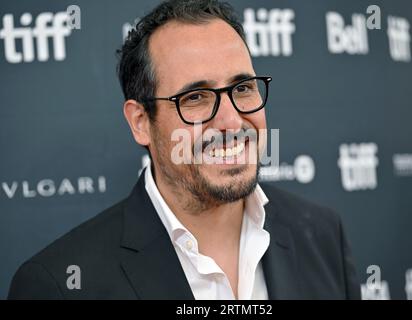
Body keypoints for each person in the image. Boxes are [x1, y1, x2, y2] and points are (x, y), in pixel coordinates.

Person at [8, 0, 360, 300]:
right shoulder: (58, 285)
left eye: (243, 88)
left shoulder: (323, 234)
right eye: (195, 97)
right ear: (140, 121)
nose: (232, 122)